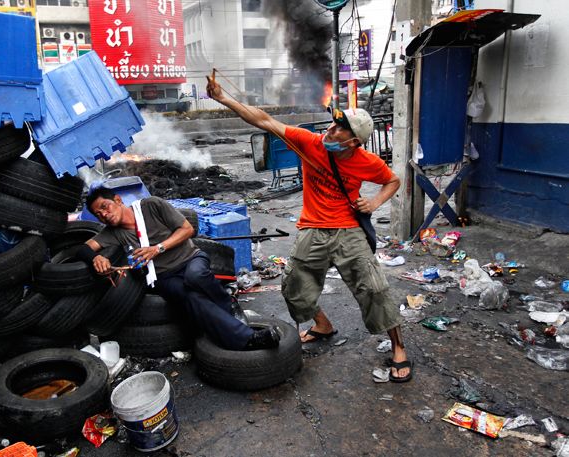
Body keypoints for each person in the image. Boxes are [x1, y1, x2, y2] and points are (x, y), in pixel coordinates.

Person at [206, 76, 412, 381]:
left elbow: (392, 180)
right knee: (293, 287)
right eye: (333, 124)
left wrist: (375, 203)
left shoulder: (366, 161)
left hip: (348, 230)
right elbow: (264, 120)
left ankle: (399, 348)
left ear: (354, 142)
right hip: (313, 228)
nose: (331, 129)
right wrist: (223, 99)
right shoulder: (310, 141)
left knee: (375, 289)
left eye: (341, 129)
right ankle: (323, 325)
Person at [75, 187, 281, 351]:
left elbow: (188, 229)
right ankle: (249, 341)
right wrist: (96, 257)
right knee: (191, 298)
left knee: (196, 277)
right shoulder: (112, 233)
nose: (104, 214)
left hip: (190, 258)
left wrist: (158, 248)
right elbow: (82, 248)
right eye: (98, 213)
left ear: (118, 200)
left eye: (105, 206)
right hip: (163, 277)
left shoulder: (151, 206)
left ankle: (229, 303)